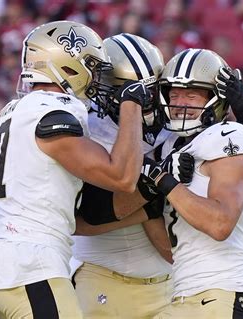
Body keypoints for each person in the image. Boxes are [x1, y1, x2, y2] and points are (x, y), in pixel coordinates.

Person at [0, 20, 148, 319]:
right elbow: (121, 176)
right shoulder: (50, 113)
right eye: (91, 67)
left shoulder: (18, 110)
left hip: (14, 261)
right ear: (67, 65)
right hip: (33, 266)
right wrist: (131, 105)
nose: (96, 78)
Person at [142, 48, 243, 318]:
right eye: (173, 94)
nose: (179, 102)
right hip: (183, 294)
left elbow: (220, 224)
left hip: (224, 294)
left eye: (191, 94)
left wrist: (162, 181)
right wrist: (147, 193)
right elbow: (170, 249)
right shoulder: (167, 147)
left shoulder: (228, 135)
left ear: (216, 99)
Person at [71, 33, 176, 319]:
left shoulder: (176, 124)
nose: (148, 101)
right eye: (137, 93)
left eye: (153, 91)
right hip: (104, 276)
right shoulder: (87, 129)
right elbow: (82, 220)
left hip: (167, 282)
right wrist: (150, 200)